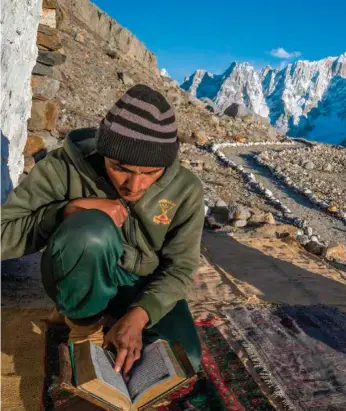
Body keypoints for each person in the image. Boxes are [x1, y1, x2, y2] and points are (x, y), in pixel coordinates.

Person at [1, 84, 205, 375]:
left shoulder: (185, 189)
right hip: (83, 272)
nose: (134, 186)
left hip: (143, 285)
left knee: (184, 361)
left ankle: (118, 317)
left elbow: (181, 267)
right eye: (121, 168)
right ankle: (83, 324)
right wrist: (63, 213)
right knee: (90, 233)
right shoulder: (63, 169)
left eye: (150, 173)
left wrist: (140, 314)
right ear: (103, 151)